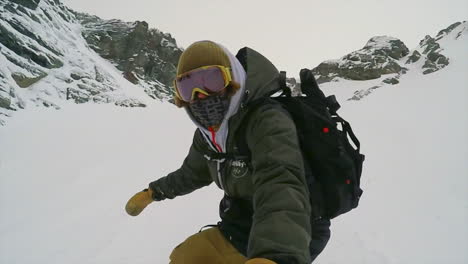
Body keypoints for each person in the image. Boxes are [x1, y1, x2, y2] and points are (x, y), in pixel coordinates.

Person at [125, 40, 330, 264]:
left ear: (234, 79)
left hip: (294, 230)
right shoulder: (209, 134)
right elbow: (192, 173)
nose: (199, 95)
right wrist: (153, 192)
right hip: (241, 225)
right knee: (184, 258)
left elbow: (280, 182)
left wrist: (276, 255)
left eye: (211, 80)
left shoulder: (267, 120)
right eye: (187, 87)